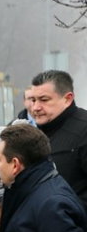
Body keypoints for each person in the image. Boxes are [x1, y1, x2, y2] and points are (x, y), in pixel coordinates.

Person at [27, 69, 87, 210]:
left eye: (44, 100)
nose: (35, 107)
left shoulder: (84, 130)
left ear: (67, 99)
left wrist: (69, 214)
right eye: (33, 100)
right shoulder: (32, 134)